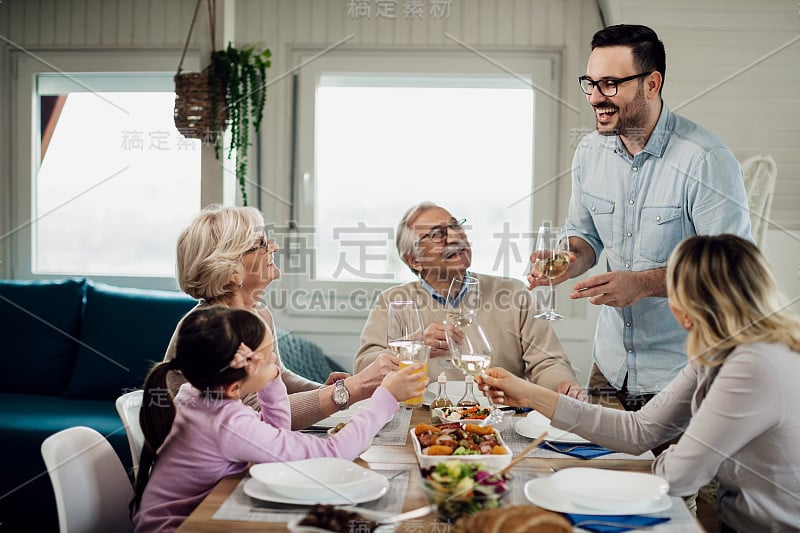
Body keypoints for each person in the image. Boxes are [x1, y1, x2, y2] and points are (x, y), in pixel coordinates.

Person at [488, 234, 800, 532]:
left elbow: (677, 477)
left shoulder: (751, 366)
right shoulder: (720, 351)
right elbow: (640, 430)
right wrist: (529, 393)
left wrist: (680, 452)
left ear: (686, 309)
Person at [528, 24, 752, 409]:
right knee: (592, 469)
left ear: (652, 84)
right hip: (611, 368)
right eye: (591, 83)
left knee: (671, 473)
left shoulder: (705, 160)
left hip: (683, 375)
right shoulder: (589, 152)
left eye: (611, 84)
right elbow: (584, 236)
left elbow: (731, 272)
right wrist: (568, 259)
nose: (596, 97)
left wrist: (644, 284)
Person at [133, 306, 425, 532]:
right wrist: (385, 396)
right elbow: (334, 453)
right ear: (235, 387)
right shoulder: (227, 424)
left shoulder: (197, 394)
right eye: (271, 355)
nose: (277, 363)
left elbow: (275, 437)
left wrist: (271, 382)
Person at [165, 205, 399, 430]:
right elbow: (259, 418)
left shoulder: (258, 313)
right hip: (214, 462)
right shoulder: (213, 330)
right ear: (232, 271)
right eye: (261, 243)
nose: (274, 246)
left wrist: (325, 390)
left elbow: (278, 377)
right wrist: (348, 390)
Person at [355, 202, 585, 400]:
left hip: (501, 416)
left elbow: (547, 362)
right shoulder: (393, 301)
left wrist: (562, 387)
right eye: (437, 234)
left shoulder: (514, 293)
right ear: (415, 260)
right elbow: (365, 368)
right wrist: (414, 347)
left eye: (455, 226)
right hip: (420, 418)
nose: (455, 237)